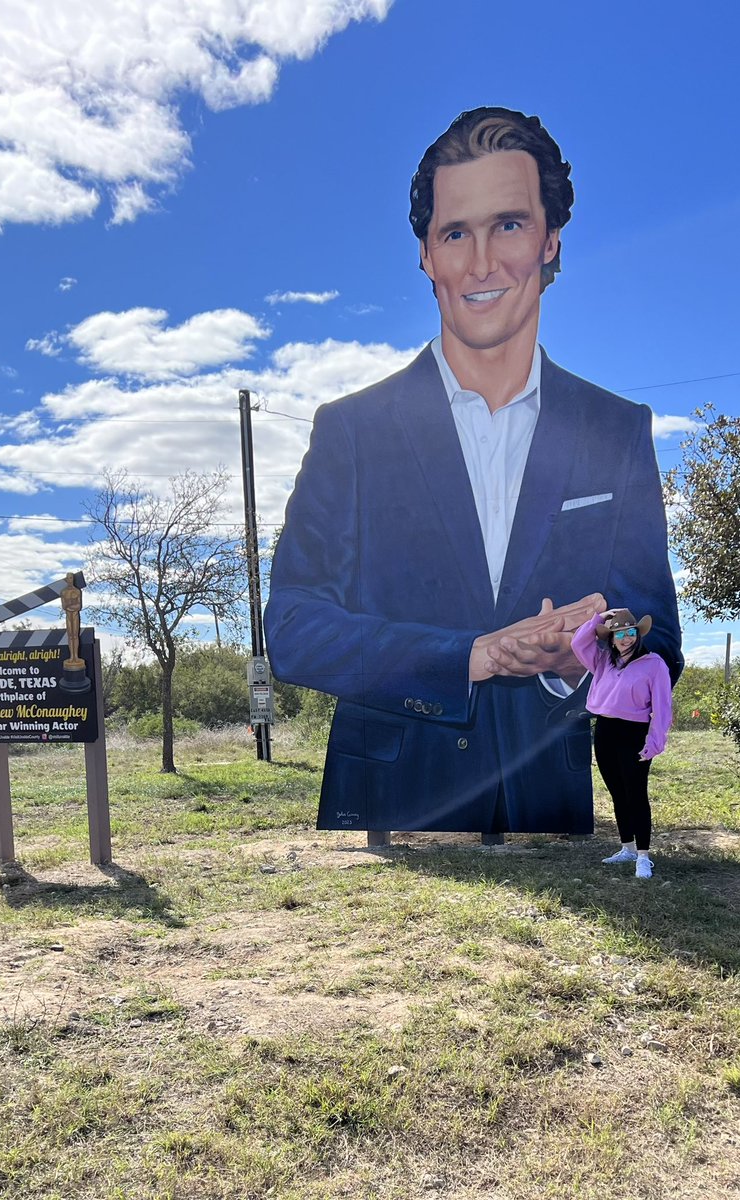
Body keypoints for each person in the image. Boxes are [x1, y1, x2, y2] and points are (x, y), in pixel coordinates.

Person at [265, 106, 682, 837]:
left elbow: (657, 640)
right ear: (426, 254)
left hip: (547, 812)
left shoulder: (616, 431)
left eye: (509, 225)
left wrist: (585, 655)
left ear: (551, 241)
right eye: (456, 232)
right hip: (391, 823)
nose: (481, 261)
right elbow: (295, 628)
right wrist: (472, 656)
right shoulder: (351, 430)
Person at [571, 607, 673, 878]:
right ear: (611, 638)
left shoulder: (654, 664)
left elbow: (662, 707)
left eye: (630, 633)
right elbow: (577, 643)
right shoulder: (603, 661)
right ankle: (626, 848)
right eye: (619, 634)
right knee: (617, 791)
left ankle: (643, 856)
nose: (626, 638)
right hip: (605, 730)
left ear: (637, 635)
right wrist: (597, 619)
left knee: (636, 793)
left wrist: (655, 741)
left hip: (634, 733)